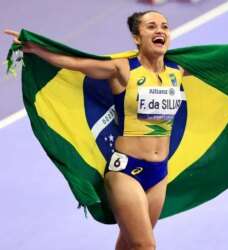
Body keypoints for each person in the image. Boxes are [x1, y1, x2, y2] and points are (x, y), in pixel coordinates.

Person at [5, 10, 184, 250]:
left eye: (164, 26)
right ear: (137, 38)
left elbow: (219, 65)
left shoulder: (177, 72)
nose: (160, 30)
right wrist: (36, 48)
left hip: (159, 173)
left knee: (129, 243)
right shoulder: (123, 70)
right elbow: (76, 64)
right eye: (151, 27)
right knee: (145, 246)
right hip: (126, 172)